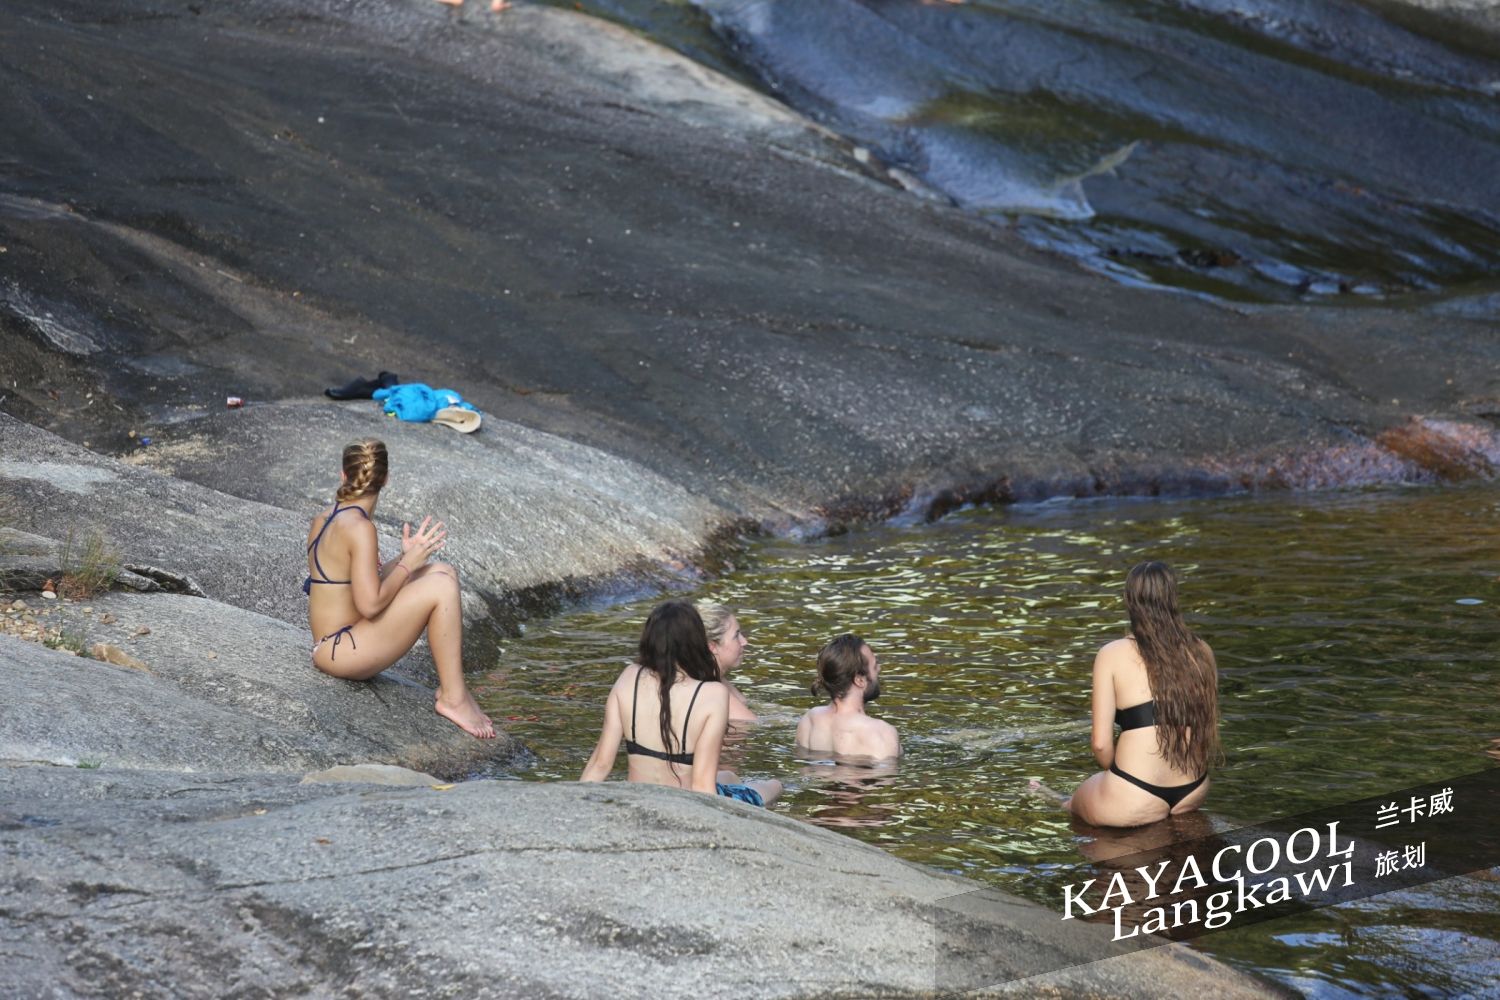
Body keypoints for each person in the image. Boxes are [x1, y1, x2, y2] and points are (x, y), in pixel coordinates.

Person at [304, 439, 495, 739]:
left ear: (343, 475)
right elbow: (369, 605)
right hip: (339, 650)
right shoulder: (360, 528)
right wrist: (407, 565)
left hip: (336, 643)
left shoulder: (326, 518)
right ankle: (453, 699)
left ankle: (455, 690)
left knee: (442, 571)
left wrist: (404, 558)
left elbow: (353, 586)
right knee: (441, 586)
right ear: (386, 479)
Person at [1061, 561, 1219, 827]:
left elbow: (1100, 744)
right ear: (1172, 598)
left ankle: (1049, 797)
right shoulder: (1202, 651)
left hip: (1134, 791)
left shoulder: (1112, 653)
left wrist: (1119, 777)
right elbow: (1206, 728)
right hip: (1193, 788)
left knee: (1072, 803)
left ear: (1129, 600)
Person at [580, 600, 782, 806]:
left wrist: (576, 805)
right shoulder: (713, 693)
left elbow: (600, 764)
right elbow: (703, 787)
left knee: (729, 775)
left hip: (638, 794)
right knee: (774, 785)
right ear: (695, 641)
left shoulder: (629, 676)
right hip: (686, 802)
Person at [795, 633, 900, 761]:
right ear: (859, 680)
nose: (879, 668)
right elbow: (886, 774)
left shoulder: (809, 720)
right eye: (874, 666)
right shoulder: (880, 733)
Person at [694, 601, 757, 723]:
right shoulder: (711, 689)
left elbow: (747, 704)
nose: (744, 642)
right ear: (712, 647)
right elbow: (752, 724)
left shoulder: (714, 677)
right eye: (736, 636)